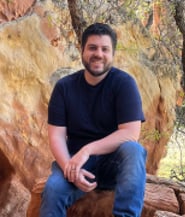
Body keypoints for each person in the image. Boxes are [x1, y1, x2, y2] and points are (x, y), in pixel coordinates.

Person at [40, 23, 147, 217]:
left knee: (134, 150)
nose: (98, 53)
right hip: (77, 163)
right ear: (82, 51)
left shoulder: (124, 84)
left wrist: (87, 150)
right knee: (54, 188)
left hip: (115, 163)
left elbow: (131, 133)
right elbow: (56, 136)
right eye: (92, 48)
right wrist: (69, 168)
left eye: (104, 49)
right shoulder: (64, 88)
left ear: (112, 54)